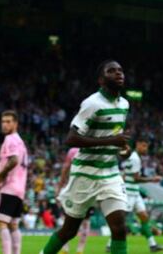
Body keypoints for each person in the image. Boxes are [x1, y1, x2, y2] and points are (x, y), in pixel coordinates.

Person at [39, 60, 132, 254]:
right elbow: (71, 138)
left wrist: (123, 148)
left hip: (110, 174)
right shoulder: (92, 104)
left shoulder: (124, 104)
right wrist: (111, 141)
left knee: (119, 228)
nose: (118, 73)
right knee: (69, 231)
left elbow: (113, 136)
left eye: (120, 70)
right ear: (101, 80)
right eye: (112, 71)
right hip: (85, 174)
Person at [106, 137, 163, 252]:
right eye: (144, 146)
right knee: (121, 221)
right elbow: (136, 178)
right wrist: (152, 179)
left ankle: (152, 245)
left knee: (144, 217)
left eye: (147, 146)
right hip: (129, 193)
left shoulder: (133, 157)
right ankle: (109, 245)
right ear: (138, 144)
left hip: (135, 192)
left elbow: (125, 174)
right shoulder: (135, 159)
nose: (146, 149)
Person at [0, 110, 29, 254]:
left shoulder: (10, 139)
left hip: (10, 186)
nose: (4, 124)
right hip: (20, 189)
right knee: (13, 225)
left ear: (15, 123)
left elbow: (14, 160)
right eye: (3, 121)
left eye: (8, 121)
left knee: (0, 222)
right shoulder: (21, 142)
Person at [58, 148, 91, 254]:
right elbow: (66, 168)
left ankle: (79, 250)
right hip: (74, 189)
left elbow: (65, 168)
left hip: (88, 190)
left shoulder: (91, 148)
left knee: (85, 221)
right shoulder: (73, 151)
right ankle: (66, 248)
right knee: (67, 218)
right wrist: (60, 185)